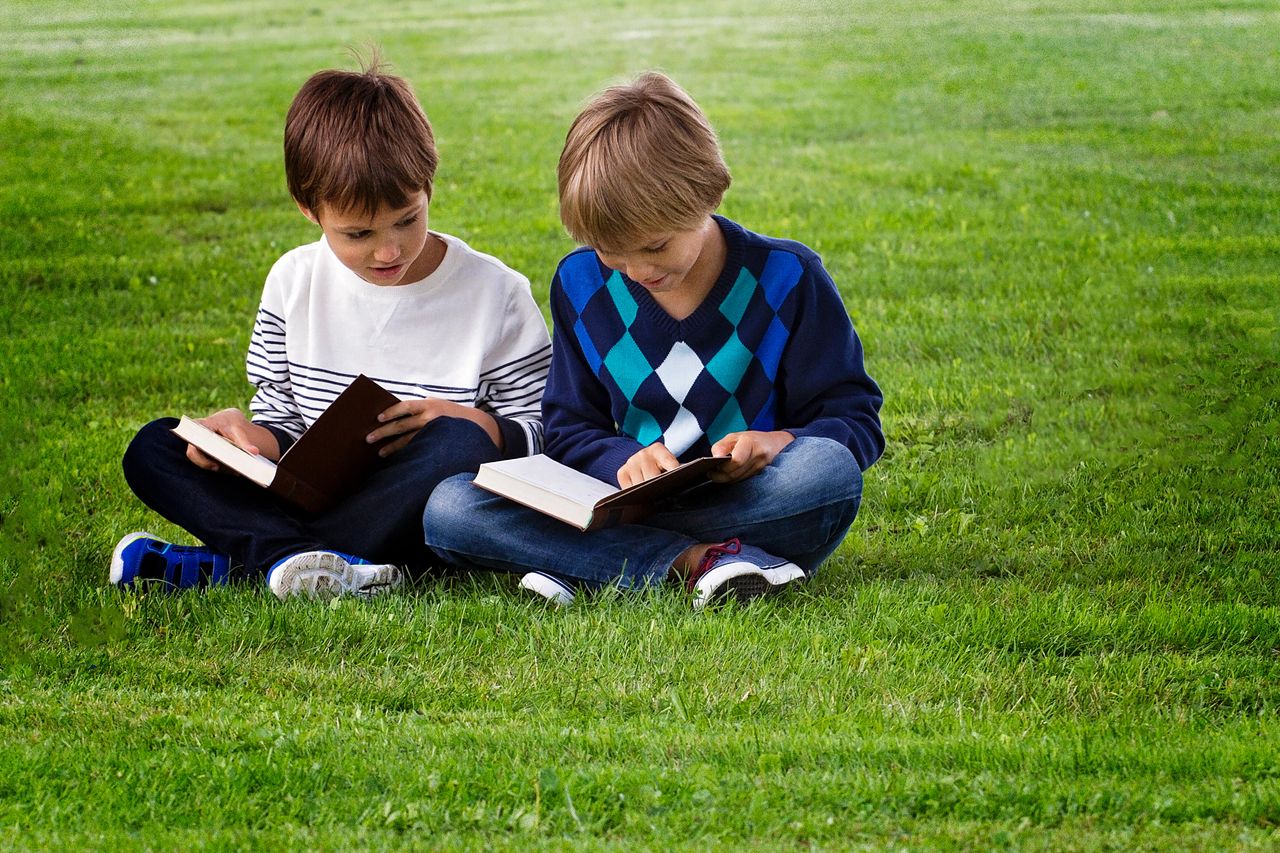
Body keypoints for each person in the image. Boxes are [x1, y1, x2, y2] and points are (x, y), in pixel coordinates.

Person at [422, 71, 882, 609]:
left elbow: (854, 419)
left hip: (747, 493)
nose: (636, 271)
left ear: (706, 194)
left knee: (825, 475)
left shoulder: (789, 277)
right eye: (610, 252)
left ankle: (585, 563)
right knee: (450, 508)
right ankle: (704, 561)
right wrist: (626, 458)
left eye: (656, 247)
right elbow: (568, 427)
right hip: (619, 501)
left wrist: (779, 441)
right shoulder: (580, 284)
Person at [110, 54, 551, 601]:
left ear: (428, 186)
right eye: (358, 233)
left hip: (415, 506)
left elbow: (543, 438)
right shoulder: (293, 280)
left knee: (457, 444)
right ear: (308, 209)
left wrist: (473, 422)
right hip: (309, 496)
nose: (389, 250)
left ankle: (251, 562)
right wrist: (248, 440)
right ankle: (298, 562)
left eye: (408, 219)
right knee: (157, 445)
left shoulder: (496, 294)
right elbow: (285, 421)